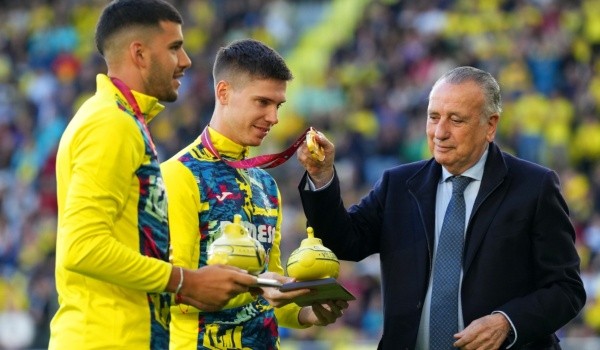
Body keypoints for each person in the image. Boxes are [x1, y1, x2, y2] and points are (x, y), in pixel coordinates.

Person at [296, 66, 586, 349]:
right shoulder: (398, 185)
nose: (440, 132)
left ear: (490, 125)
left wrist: (507, 323)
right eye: (433, 117)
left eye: (456, 120)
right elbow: (342, 241)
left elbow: (566, 289)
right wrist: (322, 177)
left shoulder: (534, 187)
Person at [50, 1, 258, 349]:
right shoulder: (111, 124)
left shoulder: (119, 120)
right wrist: (184, 281)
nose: (187, 60)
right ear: (140, 54)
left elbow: (125, 250)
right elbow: (82, 248)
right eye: (175, 47)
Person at [161, 38, 348, 349]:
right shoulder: (178, 175)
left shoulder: (265, 184)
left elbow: (273, 294)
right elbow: (175, 289)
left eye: (278, 105)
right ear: (223, 92)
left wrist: (309, 314)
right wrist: (259, 288)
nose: (274, 117)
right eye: (262, 102)